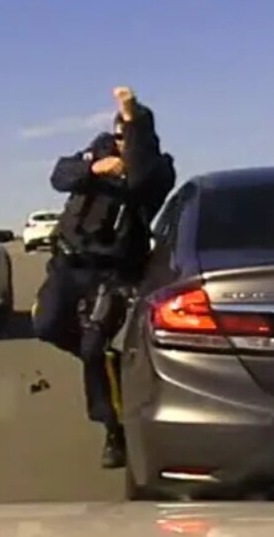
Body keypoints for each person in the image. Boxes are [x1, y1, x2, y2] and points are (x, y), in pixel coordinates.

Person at [32, 87, 176, 469]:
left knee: (95, 345)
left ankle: (114, 429)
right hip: (69, 263)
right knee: (45, 324)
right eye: (116, 136)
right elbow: (60, 175)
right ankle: (104, 362)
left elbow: (145, 179)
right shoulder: (96, 155)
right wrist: (93, 168)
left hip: (113, 274)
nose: (119, 144)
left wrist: (132, 120)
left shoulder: (156, 169)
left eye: (125, 136)